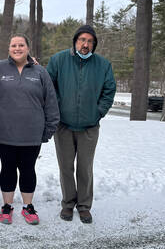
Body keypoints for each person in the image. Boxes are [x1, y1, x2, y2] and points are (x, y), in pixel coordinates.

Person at [46, 25, 116, 224]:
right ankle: (68, 204)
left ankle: (84, 206)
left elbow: (109, 91)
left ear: (93, 45)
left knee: (85, 168)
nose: (85, 44)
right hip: (64, 126)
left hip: (89, 127)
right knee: (66, 167)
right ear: (75, 41)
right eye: (82, 40)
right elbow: (49, 88)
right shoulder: (58, 60)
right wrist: (57, 111)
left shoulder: (103, 65)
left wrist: (98, 112)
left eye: (89, 41)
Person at [0, 35, 59, 225]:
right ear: (9, 48)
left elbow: (51, 102)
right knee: (8, 168)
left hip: (32, 134)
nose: (17, 48)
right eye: (13, 45)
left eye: (21, 45)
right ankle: (6, 206)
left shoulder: (40, 72)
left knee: (28, 169)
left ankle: (28, 207)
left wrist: (49, 129)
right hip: (4, 132)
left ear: (28, 48)